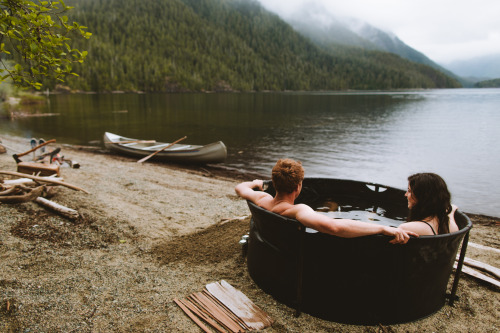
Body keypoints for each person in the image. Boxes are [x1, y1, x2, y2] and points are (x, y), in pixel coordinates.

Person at [235, 158, 417, 244]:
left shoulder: (262, 199)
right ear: (299, 187)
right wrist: (382, 227)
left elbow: (240, 188)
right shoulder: (298, 210)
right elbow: (334, 227)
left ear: (273, 182)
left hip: (272, 243)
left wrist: (255, 183)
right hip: (295, 254)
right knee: (328, 214)